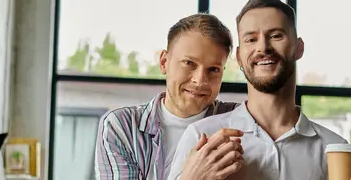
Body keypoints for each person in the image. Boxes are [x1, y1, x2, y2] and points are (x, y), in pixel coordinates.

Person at [168, 0, 351, 180]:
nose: (263, 47)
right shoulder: (201, 136)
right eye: (251, 39)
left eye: (276, 36)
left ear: (298, 47)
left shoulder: (334, 148)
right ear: (239, 56)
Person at [94, 13, 245, 180]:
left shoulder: (239, 120)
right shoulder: (122, 126)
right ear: (164, 62)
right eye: (189, 63)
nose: (200, 80)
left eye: (213, 69)